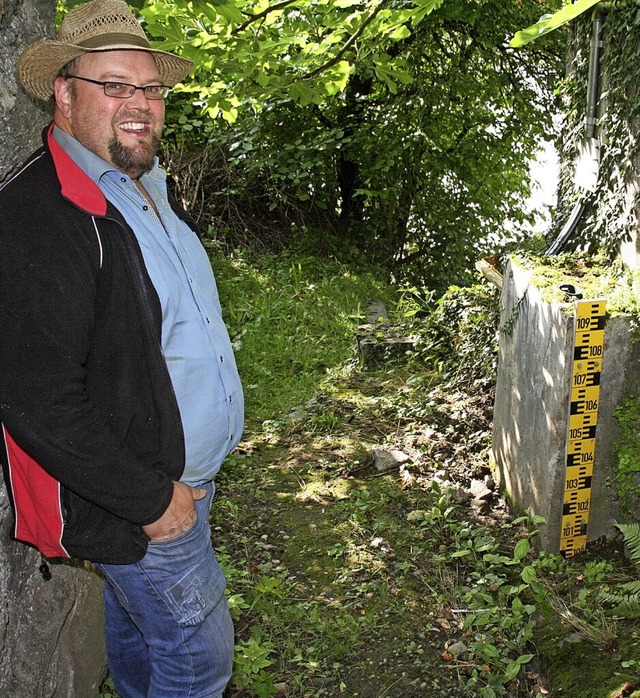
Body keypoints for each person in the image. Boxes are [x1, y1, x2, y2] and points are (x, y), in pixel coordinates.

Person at [0, 1, 243, 696]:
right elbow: (36, 398)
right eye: (114, 85)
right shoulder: (38, 218)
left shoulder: (143, 187)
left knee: (142, 640)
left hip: (178, 485)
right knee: (198, 667)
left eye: (150, 88)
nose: (138, 104)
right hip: (146, 504)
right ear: (64, 93)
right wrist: (151, 502)